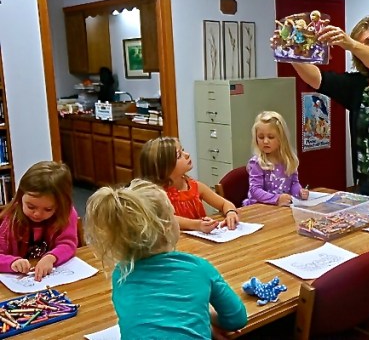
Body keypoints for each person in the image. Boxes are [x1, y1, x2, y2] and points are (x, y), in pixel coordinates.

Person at [271, 15, 369, 301]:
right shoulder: (357, 86)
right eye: (359, 44)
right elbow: (317, 78)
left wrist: (348, 43)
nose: (362, 48)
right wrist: (290, 50)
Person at [84, 179, 248, 339]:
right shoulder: (198, 268)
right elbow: (237, 318)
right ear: (168, 226)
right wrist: (204, 318)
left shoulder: (121, 274)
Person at [140, 136, 239, 233]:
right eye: (179, 155)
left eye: (183, 150)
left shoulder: (195, 187)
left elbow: (224, 203)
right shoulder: (157, 195)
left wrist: (230, 212)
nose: (187, 154)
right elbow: (168, 219)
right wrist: (197, 225)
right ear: (163, 168)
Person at [0, 161, 78, 282]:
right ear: (20, 196)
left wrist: (51, 257)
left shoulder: (66, 213)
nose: (37, 214)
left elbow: (68, 243)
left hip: (52, 281)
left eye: (48, 209)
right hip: (18, 283)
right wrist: (11, 262)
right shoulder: (11, 217)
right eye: (31, 207)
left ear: (60, 205)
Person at [243, 111, 309, 207]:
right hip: (260, 208)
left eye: (271, 137)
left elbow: (294, 183)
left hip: (281, 208)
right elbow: (255, 190)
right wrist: (276, 199)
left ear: (281, 138)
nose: (265, 141)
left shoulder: (288, 160)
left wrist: (299, 192)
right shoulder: (257, 163)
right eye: (261, 137)